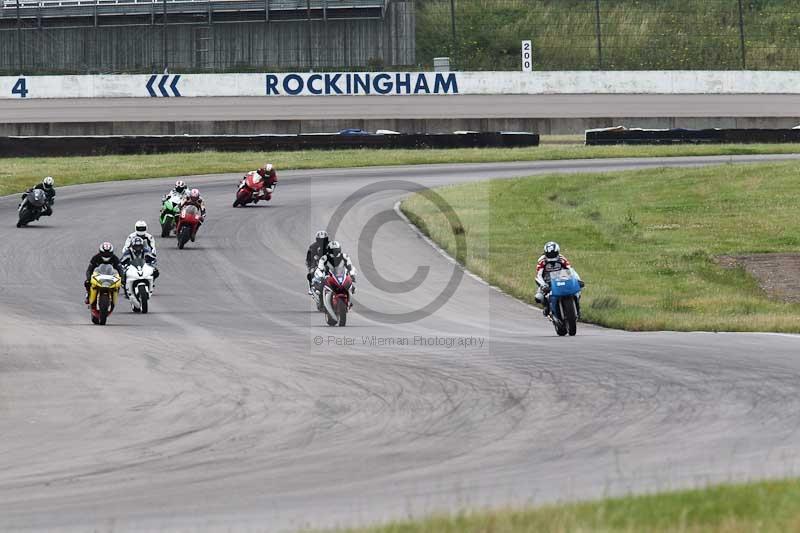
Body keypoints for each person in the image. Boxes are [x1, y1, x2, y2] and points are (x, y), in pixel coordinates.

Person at [534, 241, 584, 317]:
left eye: (553, 254)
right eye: (549, 255)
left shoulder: (561, 258)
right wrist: (543, 285)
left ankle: (577, 308)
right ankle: (547, 308)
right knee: (539, 297)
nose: (552, 256)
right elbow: (539, 275)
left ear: (557, 252)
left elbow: (571, 270)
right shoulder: (542, 261)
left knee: (577, 291)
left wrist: (577, 280)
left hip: (562, 278)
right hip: (547, 281)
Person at [305, 230, 330, 294]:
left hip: (328, 263)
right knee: (311, 273)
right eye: (321, 240)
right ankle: (311, 286)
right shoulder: (313, 247)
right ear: (317, 240)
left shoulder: (330, 245)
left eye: (324, 240)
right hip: (316, 263)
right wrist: (310, 266)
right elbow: (308, 258)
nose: (323, 242)